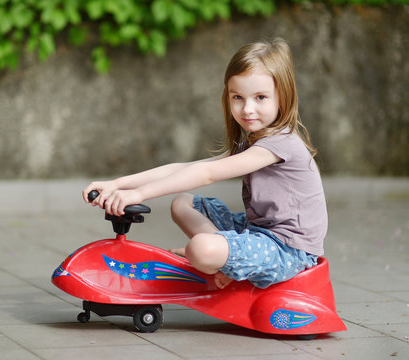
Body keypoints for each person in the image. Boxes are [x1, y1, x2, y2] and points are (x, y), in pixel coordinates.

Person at [82, 38, 327, 290]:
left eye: (261, 97)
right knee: (183, 202)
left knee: (199, 248)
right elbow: (183, 168)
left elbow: (207, 174)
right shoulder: (254, 141)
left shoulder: (280, 143)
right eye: (238, 97)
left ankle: (224, 261)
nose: (247, 109)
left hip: (287, 251)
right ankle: (228, 260)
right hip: (259, 232)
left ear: (282, 97)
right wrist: (118, 184)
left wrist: (139, 194)